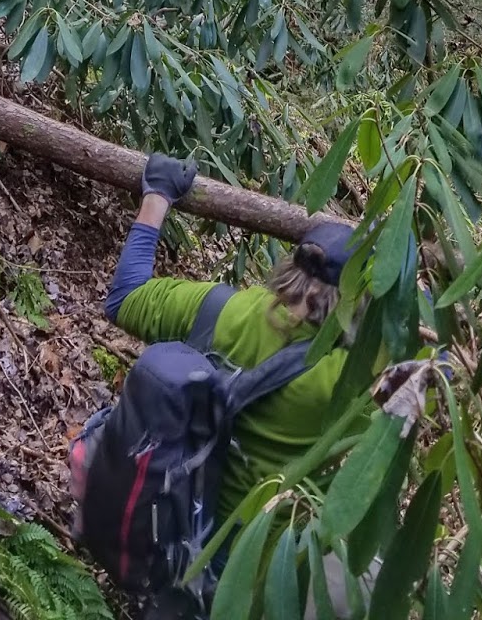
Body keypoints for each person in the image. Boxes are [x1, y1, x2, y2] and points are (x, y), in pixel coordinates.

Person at [98, 151, 368, 616]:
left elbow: (124, 298)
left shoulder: (220, 309)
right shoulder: (351, 381)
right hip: (251, 566)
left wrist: (157, 195)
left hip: (168, 522)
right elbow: (432, 370)